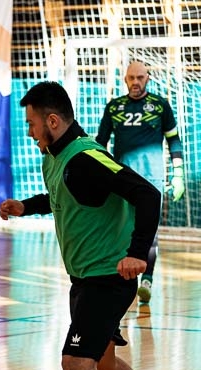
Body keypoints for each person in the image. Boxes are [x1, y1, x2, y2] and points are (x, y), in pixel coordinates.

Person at [0, 81, 171, 370]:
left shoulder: (87, 157)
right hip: (84, 279)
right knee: (103, 362)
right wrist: (27, 206)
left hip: (108, 278)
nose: (30, 132)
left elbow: (147, 194)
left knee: (76, 362)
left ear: (53, 121)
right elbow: (64, 196)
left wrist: (137, 253)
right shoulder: (56, 158)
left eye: (32, 124)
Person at [96, 61, 185, 304]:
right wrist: (99, 173)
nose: (136, 82)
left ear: (148, 78)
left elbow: (173, 140)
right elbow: (100, 142)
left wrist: (178, 173)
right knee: (122, 231)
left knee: (149, 232)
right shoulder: (114, 107)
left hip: (152, 178)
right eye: (131, 78)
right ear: (125, 79)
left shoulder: (160, 105)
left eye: (140, 77)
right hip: (123, 179)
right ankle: (122, 281)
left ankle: (147, 280)